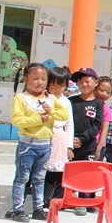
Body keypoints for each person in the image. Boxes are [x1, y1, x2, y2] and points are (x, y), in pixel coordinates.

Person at [7, 63, 68, 222]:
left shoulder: (50, 98)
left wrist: (51, 111)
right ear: (26, 79)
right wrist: (38, 119)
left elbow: (64, 115)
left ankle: (38, 208)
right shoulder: (21, 98)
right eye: (35, 78)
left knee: (40, 178)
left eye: (43, 79)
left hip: (45, 145)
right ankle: (18, 209)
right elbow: (17, 120)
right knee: (22, 178)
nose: (40, 82)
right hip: (27, 145)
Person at [68, 67, 103, 215]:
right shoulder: (71, 101)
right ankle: (68, 200)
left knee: (86, 174)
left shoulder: (98, 104)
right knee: (70, 173)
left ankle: (84, 202)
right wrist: (71, 140)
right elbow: (66, 122)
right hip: (70, 144)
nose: (84, 84)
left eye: (87, 81)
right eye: (80, 82)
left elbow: (97, 125)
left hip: (88, 145)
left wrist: (82, 139)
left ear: (96, 83)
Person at [43, 66, 73, 208]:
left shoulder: (66, 102)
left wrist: (69, 146)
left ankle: (52, 200)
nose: (56, 89)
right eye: (53, 85)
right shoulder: (43, 98)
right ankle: (40, 199)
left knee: (56, 171)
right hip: (43, 135)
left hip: (59, 138)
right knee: (41, 170)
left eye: (60, 85)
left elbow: (69, 125)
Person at [93, 76, 112, 162]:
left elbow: (104, 131)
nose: (104, 94)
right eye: (102, 90)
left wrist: (98, 149)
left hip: (97, 145)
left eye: (108, 92)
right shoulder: (86, 103)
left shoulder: (106, 110)